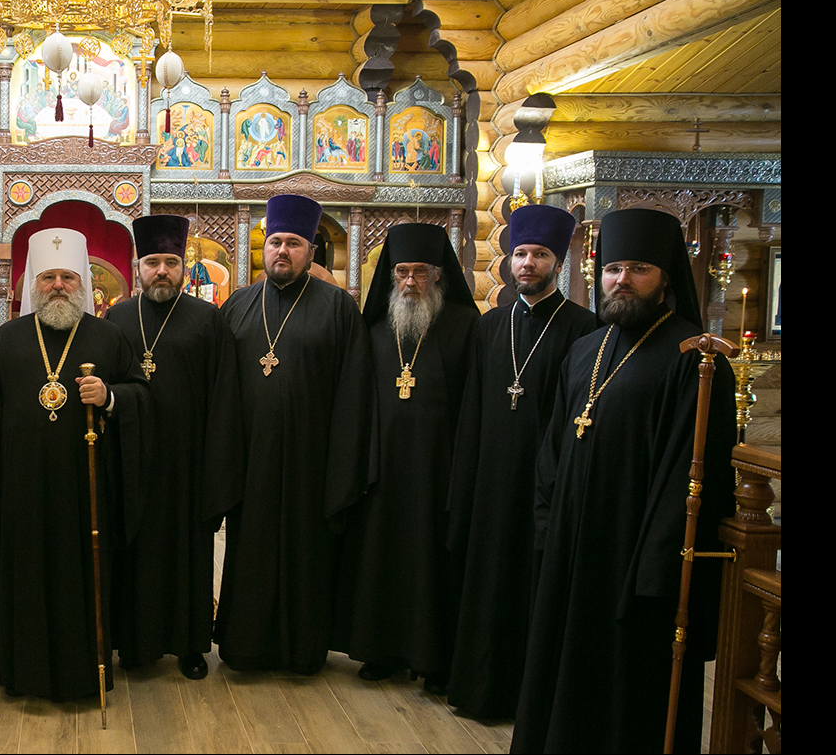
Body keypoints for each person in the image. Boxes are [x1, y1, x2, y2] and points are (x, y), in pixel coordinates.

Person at [512, 207, 736, 754]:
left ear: (665, 277)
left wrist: (657, 570)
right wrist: (547, 525)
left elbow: (689, 477)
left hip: (631, 560)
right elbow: (554, 448)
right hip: (570, 548)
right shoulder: (586, 350)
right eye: (613, 269)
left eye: (639, 268)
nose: (622, 280)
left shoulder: (695, 359)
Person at [0, 229, 149, 700]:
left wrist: (109, 396)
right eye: (48, 277)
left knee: (80, 580)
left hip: (86, 491)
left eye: (67, 277)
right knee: (26, 579)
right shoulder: (8, 338)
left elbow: (141, 397)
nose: (58, 286)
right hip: (22, 489)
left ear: (83, 283)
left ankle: (81, 674)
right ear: (34, 283)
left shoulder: (108, 336)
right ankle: (22, 671)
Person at [443, 204, 598, 720]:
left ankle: (530, 701)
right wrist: (464, 484)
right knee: (487, 586)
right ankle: (479, 690)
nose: (527, 263)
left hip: (544, 485)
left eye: (540, 255)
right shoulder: (489, 326)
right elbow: (470, 410)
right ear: (509, 261)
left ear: (558, 263)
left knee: (533, 588)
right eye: (520, 254)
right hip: (490, 482)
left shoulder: (585, 330)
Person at [215, 194, 369, 674]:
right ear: (264, 247)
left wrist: (342, 467)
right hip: (252, 460)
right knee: (251, 551)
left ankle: (302, 652)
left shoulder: (338, 308)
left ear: (311, 251)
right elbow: (220, 390)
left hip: (312, 460)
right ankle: (244, 648)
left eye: (294, 243)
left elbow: (354, 390)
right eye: (275, 241)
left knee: (307, 555)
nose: (282, 250)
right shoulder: (238, 305)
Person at [335, 221, 479, 691]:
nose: (411, 281)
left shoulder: (466, 326)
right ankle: (381, 651)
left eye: (420, 272)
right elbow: (356, 399)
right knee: (382, 557)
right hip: (383, 469)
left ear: (439, 274)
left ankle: (432, 658)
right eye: (402, 272)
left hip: (440, 469)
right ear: (391, 275)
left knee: (433, 562)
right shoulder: (376, 327)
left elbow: (473, 403)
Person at [105, 215, 242, 680]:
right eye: (152, 262)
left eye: (170, 262)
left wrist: (217, 469)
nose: (161, 271)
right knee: (135, 556)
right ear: (138, 267)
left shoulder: (207, 319)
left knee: (189, 557)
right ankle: (136, 645)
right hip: (132, 460)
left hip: (188, 464)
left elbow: (224, 396)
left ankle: (189, 645)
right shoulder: (118, 318)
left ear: (183, 266)